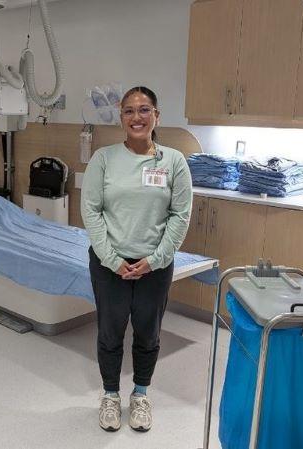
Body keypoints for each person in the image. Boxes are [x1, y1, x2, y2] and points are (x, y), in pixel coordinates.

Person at [81, 86, 192, 432]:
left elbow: (180, 216)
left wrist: (156, 259)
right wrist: (112, 259)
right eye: (129, 111)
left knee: (148, 332)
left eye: (144, 110)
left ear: (157, 116)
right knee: (110, 333)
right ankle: (111, 396)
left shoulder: (173, 162)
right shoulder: (103, 158)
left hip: (154, 267)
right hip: (108, 266)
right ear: (121, 118)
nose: (136, 117)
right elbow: (91, 211)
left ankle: (140, 395)